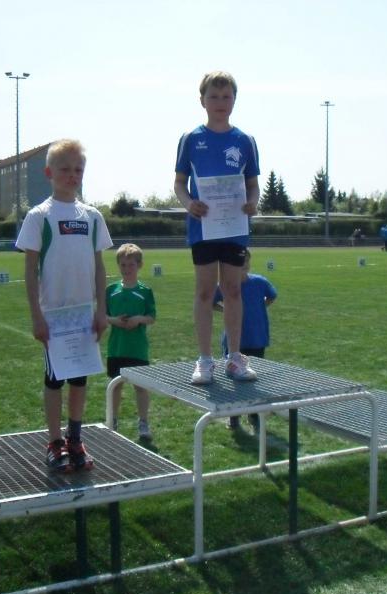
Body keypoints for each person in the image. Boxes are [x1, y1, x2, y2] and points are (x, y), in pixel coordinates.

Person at [15, 139, 112, 473]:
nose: (72, 175)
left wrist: (101, 310)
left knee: (80, 379)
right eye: (65, 169)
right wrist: (36, 316)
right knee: (55, 378)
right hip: (54, 317)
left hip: (84, 314)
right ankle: (55, 442)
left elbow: (100, 267)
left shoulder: (93, 217)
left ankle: (75, 438)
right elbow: (30, 271)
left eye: (78, 170)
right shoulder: (38, 216)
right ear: (49, 173)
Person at [174, 71, 261, 385]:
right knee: (205, 292)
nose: (220, 102)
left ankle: (235, 357)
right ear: (202, 100)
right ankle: (204, 359)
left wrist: (252, 203)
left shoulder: (245, 141)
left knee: (234, 290)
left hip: (234, 227)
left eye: (226, 97)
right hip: (203, 227)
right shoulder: (191, 139)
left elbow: (253, 185)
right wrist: (189, 204)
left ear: (234, 100)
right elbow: (179, 184)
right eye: (214, 96)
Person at [213, 250, 277, 430]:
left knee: (253, 379)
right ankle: (233, 416)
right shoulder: (224, 285)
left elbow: (272, 295)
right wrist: (226, 310)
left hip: (257, 337)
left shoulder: (260, 282)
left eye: (246, 262)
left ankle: (254, 414)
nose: (244, 266)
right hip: (235, 341)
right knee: (234, 379)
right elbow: (210, 302)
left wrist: (260, 307)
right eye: (240, 263)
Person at [106, 243, 156, 441]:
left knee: (140, 387)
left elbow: (151, 317)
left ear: (139, 265)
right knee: (115, 386)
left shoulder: (145, 291)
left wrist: (138, 319)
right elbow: (102, 316)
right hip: (116, 348)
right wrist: (115, 321)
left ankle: (143, 422)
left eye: (131, 265)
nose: (127, 269)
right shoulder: (111, 290)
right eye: (123, 265)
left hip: (137, 349)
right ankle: (112, 420)